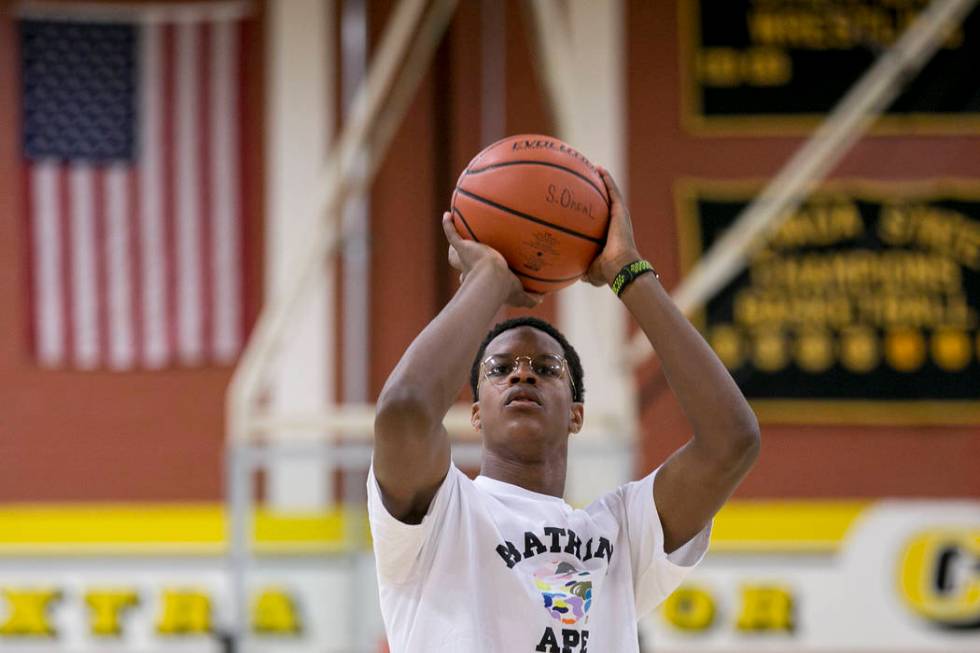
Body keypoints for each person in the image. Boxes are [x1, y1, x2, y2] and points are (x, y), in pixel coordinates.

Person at [368, 167, 760, 652]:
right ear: (475, 414)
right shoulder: (443, 514)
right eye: (499, 368)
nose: (522, 373)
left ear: (576, 414)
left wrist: (628, 270)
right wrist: (488, 279)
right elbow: (404, 411)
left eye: (547, 368)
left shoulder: (619, 532)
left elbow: (732, 440)